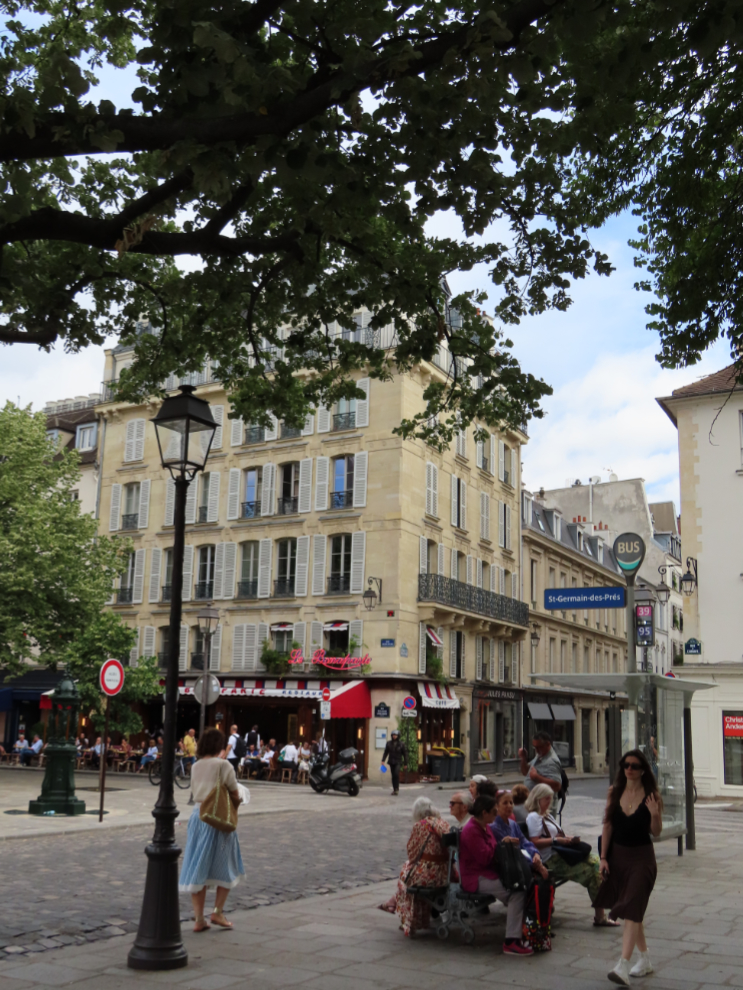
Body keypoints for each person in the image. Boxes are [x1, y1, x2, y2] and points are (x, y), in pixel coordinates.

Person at [594, 749, 663, 986]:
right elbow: (607, 826)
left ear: (643, 770)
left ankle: (623, 965)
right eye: (626, 765)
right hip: (618, 858)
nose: (629, 769)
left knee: (632, 905)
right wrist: (603, 857)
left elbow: (656, 832)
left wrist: (654, 814)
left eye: (634, 766)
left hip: (642, 859)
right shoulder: (614, 792)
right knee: (634, 910)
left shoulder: (652, 795)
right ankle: (644, 959)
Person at [178, 727, 245, 931]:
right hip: (218, 818)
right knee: (227, 863)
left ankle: (199, 919)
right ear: (218, 746)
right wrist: (240, 798)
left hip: (198, 817)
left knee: (198, 864)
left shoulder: (196, 766)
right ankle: (217, 912)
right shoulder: (224, 765)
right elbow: (234, 793)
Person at [525, 783, 616, 927]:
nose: (550, 802)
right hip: (550, 859)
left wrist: (569, 838)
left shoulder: (546, 815)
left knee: (596, 863)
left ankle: (603, 907)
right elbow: (534, 842)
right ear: (537, 799)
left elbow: (557, 834)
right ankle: (601, 915)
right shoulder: (534, 817)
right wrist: (556, 840)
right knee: (592, 873)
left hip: (560, 854)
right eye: (546, 799)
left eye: (550, 798)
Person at [458, 793, 533, 955]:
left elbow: (492, 849)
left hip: (487, 872)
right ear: (484, 813)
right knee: (516, 891)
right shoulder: (471, 831)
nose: (496, 814)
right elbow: (485, 857)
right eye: (493, 811)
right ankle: (511, 941)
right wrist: (501, 845)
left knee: (520, 884)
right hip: (475, 877)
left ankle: (522, 931)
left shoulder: (484, 826)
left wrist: (502, 844)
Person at [393, 797, 450, 936]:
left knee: (405, 876)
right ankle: (424, 917)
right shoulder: (443, 823)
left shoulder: (420, 825)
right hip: (445, 873)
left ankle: (409, 921)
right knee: (409, 872)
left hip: (430, 875)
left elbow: (412, 854)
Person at [491, 790, 548, 877]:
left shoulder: (513, 824)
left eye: (511, 803)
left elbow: (524, 841)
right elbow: (512, 852)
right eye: (505, 803)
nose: (509, 806)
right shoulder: (494, 827)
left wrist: (535, 854)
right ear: (497, 806)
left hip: (524, 862)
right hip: (512, 868)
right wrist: (536, 865)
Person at [518, 731, 562, 799]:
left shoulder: (552, 761)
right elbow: (525, 772)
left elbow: (557, 786)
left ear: (548, 744)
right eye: (535, 747)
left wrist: (536, 777)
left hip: (544, 803)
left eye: (539, 747)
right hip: (534, 800)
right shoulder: (540, 755)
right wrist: (523, 758)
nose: (537, 750)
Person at [382, 730, 408, 796]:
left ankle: (397, 788)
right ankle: (395, 789)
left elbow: (405, 754)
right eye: (393, 735)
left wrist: (405, 763)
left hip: (398, 761)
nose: (394, 736)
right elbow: (386, 752)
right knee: (393, 775)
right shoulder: (388, 743)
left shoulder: (401, 744)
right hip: (391, 761)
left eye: (395, 735)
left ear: (398, 736)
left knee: (396, 774)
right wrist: (383, 760)